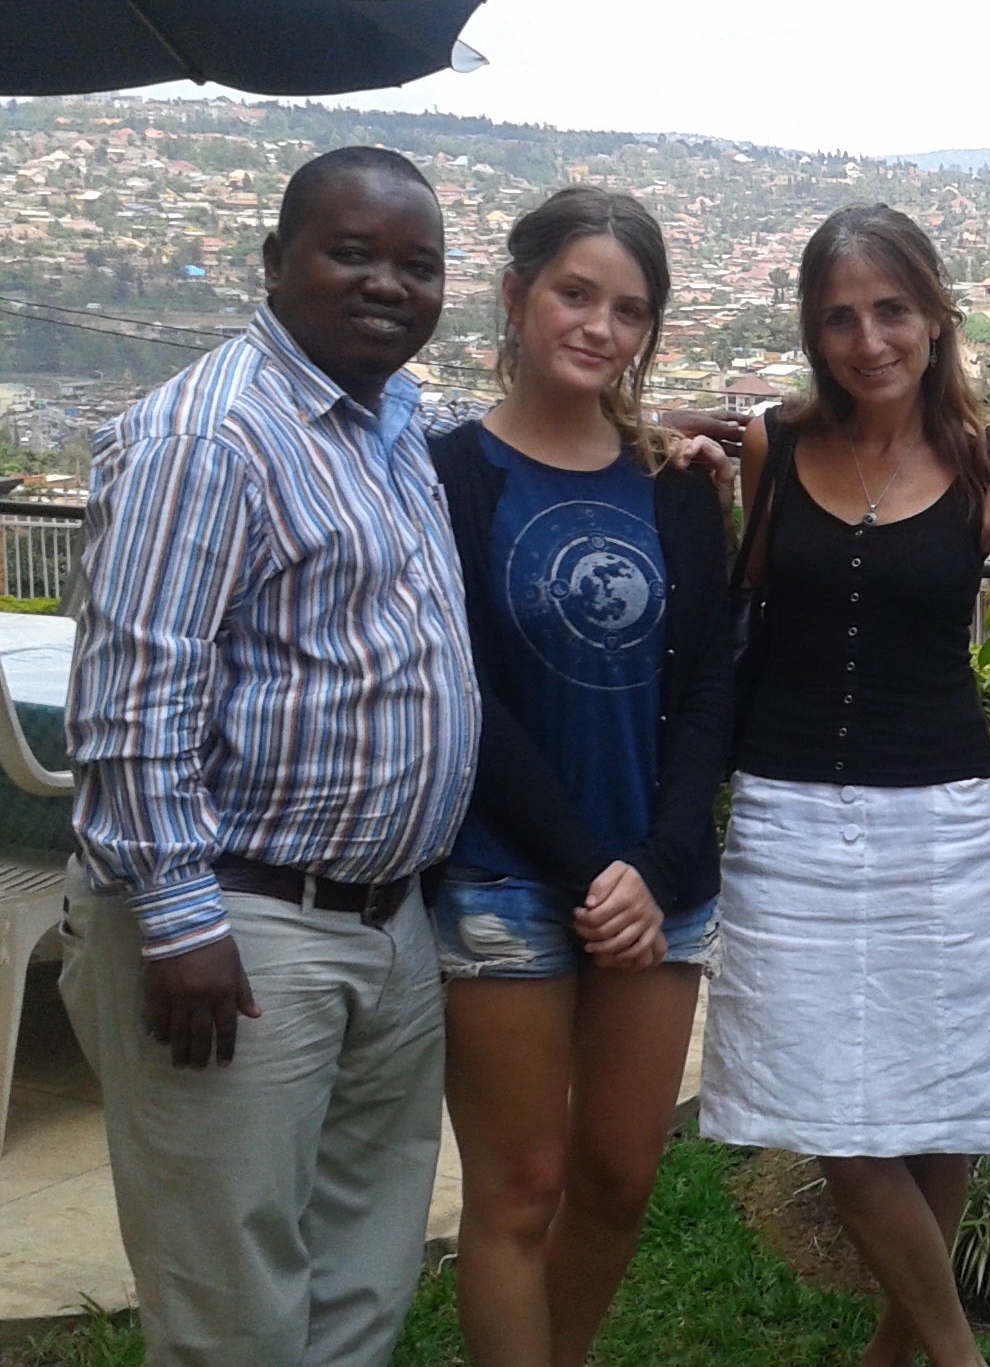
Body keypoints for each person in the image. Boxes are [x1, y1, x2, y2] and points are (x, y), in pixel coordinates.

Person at [59, 146, 480, 1367]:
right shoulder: (207, 434)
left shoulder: (394, 424)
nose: (388, 285)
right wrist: (179, 921)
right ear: (275, 261)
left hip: (384, 923)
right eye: (353, 252)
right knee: (231, 1291)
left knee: (363, 1261)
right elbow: (136, 696)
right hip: (238, 926)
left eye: (419, 263)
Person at [699, 203, 990, 1367]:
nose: (867, 339)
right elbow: (750, 609)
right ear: (812, 329)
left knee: (934, 1099)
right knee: (842, 1119)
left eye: (891, 309)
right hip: (790, 818)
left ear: (937, 315)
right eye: (839, 316)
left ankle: (895, 1356)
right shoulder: (770, 445)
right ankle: (959, 1357)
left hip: (940, 820)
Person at [423, 186, 732, 1367]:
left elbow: (709, 687)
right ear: (516, 294)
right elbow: (467, 692)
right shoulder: (448, 474)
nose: (600, 326)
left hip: (658, 884)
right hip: (509, 877)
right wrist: (587, 867)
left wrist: (651, 866)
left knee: (616, 1175)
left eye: (630, 308)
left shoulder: (674, 482)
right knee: (518, 1189)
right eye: (575, 292)